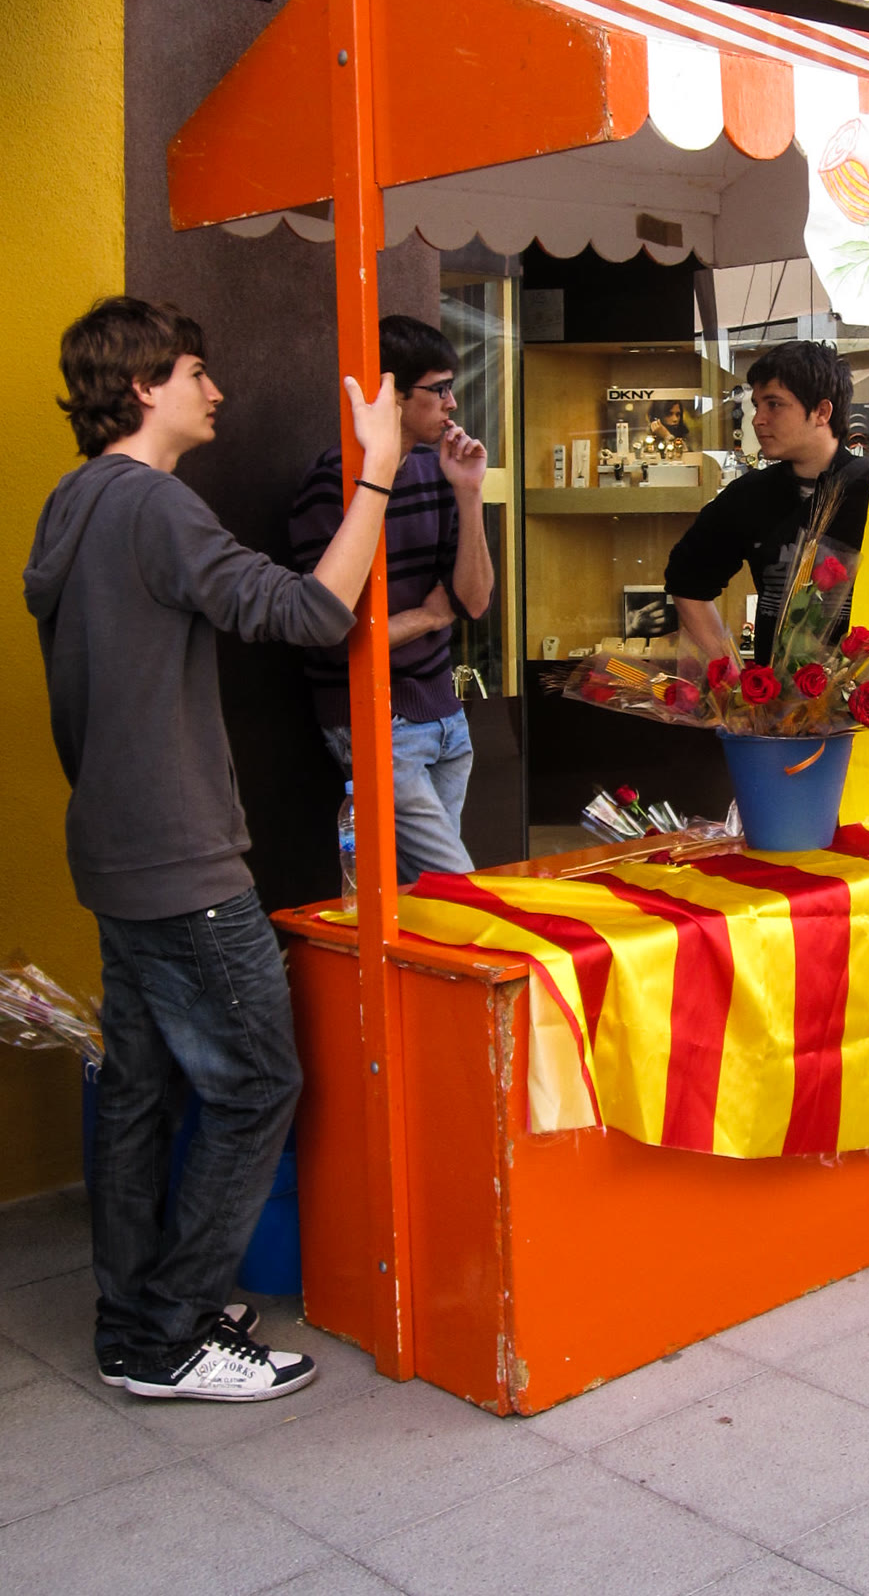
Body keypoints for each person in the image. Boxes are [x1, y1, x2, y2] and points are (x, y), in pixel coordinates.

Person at [24, 296, 401, 1401]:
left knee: (141, 1090)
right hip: (178, 853)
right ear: (145, 385)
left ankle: (135, 1321)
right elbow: (315, 612)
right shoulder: (153, 504)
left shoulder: (72, 503)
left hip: (114, 844)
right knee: (257, 1082)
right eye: (198, 371)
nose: (217, 390)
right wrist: (378, 472)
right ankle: (174, 1330)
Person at [289, 315, 494, 882]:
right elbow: (332, 634)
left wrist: (469, 493)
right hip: (376, 718)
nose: (452, 403)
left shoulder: (436, 470)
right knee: (456, 887)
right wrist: (428, 616)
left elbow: (474, 602)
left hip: (445, 716)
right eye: (439, 389)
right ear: (392, 396)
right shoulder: (332, 484)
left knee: (423, 899)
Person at [665, 341, 869, 664]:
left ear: (822, 412)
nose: (757, 420)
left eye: (774, 404)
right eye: (756, 405)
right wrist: (731, 675)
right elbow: (686, 578)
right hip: (775, 691)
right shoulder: (749, 495)